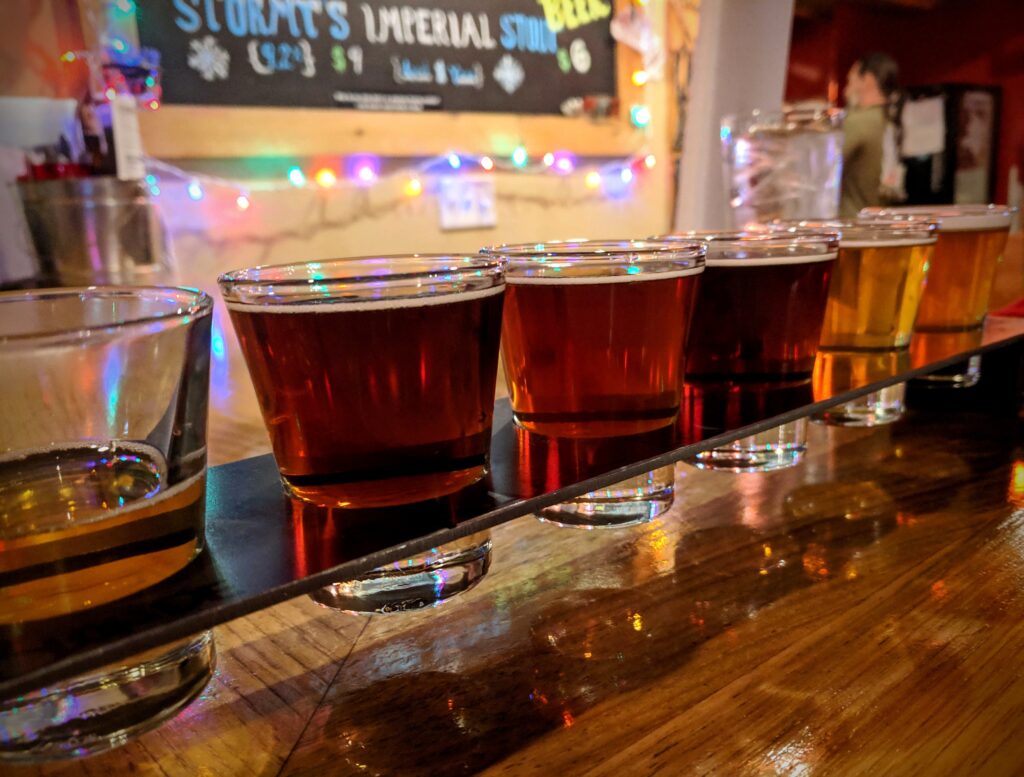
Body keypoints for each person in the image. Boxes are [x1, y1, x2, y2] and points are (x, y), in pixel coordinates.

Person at [839, 52, 903, 217]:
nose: (846, 88)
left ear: (867, 80)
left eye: (851, 80)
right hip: (882, 225)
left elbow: (823, 167)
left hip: (853, 226)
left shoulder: (859, 122)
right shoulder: (895, 121)